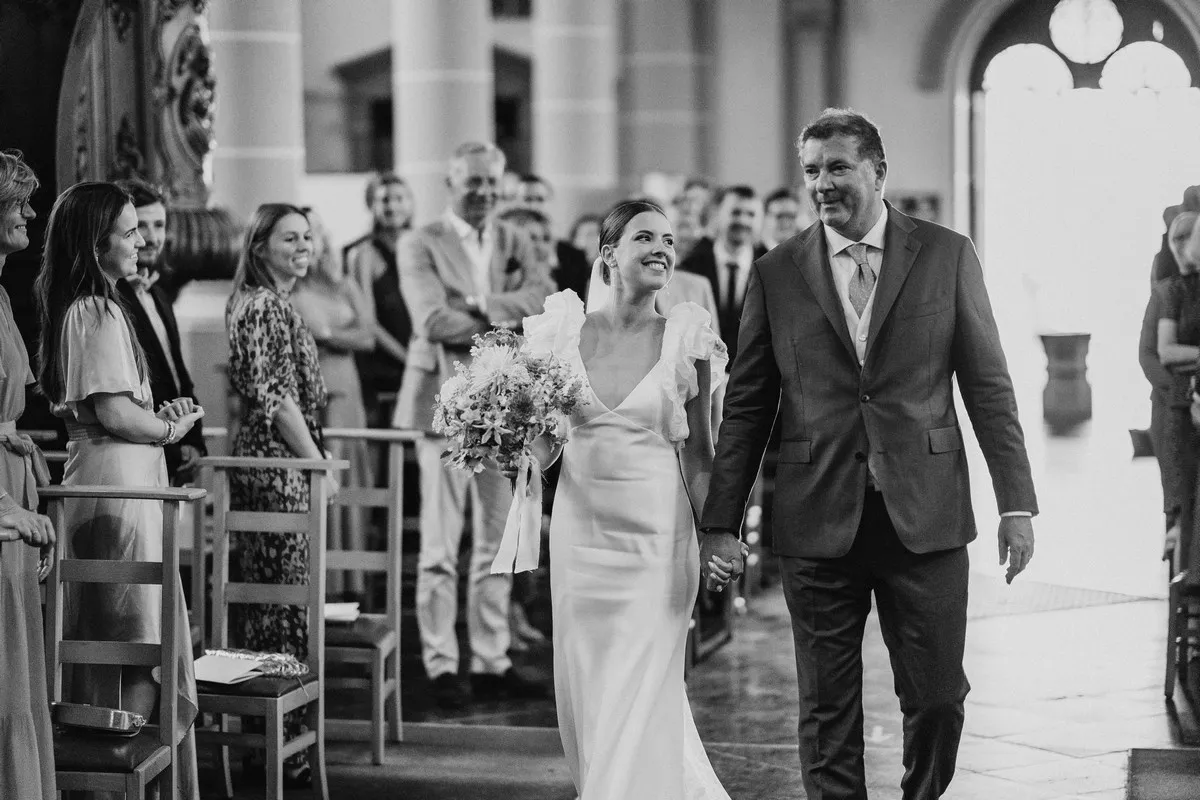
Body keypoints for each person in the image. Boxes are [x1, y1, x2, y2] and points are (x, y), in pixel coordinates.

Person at [699, 108, 1038, 800]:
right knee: (826, 712)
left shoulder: (946, 255)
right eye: (812, 171)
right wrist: (721, 521)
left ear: (878, 172)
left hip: (927, 512)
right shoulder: (778, 272)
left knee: (939, 698)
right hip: (817, 515)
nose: (822, 183)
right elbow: (748, 406)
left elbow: (989, 387)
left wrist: (1017, 502)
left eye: (837, 167)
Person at [516, 199, 739, 798]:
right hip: (581, 538)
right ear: (608, 253)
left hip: (657, 543)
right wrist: (502, 449)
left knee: (642, 684)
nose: (662, 248)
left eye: (668, 239)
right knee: (591, 685)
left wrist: (717, 529)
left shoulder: (686, 336)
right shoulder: (561, 332)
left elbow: (700, 454)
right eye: (645, 237)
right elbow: (543, 444)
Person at [34, 181, 205, 800]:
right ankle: (120, 782)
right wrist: (168, 426)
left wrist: (156, 417)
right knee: (135, 643)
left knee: (119, 637)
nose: (140, 242)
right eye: (130, 232)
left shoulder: (82, 306)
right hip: (120, 486)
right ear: (95, 240)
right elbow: (113, 414)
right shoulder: (98, 310)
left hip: (108, 477)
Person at [394, 141, 552, 709]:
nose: (483, 192)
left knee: (496, 539)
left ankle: (491, 659)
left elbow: (541, 301)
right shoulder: (421, 241)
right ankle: (440, 664)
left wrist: (480, 299)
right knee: (439, 544)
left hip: (503, 407)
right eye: (472, 182)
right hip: (440, 407)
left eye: (491, 182)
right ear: (451, 182)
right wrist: (503, 315)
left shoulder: (516, 239)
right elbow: (431, 320)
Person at [225, 203, 333, 786]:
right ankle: (275, 744)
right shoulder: (263, 305)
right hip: (276, 463)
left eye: (308, 237)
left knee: (289, 599)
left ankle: (281, 741)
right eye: (290, 237)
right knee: (279, 600)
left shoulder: (276, 302)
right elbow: (276, 398)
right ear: (260, 244)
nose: (303, 245)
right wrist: (317, 465)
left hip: (285, 458)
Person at [0, 149, 56, 800]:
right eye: (18, 203)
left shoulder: (3, 297)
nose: (30, 214)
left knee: (20, 664)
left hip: (14, 479)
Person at [291, 206, 375, 598]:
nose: (308, 243)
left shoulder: (343, 285)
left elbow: (368, 337)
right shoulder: (289, 288)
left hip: (347, 384)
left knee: (347, 473)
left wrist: (327, 335)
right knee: (319, 471)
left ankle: (350, 582)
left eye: (313, 234)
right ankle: (318, 580)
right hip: (312, 387)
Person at [113, 178, 206, 485]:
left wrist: (194, 439)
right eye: (141, 226)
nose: (151, 238)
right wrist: (171, 439)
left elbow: (177, 373)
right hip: (139, 448)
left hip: (174, 443)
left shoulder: (161, 293)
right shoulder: (111, 298)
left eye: (160, 225)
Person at [344, 171, 414, 426]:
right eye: (384, 200)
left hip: (417, 352)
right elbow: (367, 321)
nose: (392, 206)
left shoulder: (418, 246)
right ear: (372, 206)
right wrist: (407, 358)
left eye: (399, 198)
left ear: (410, 203)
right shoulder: (363, 253)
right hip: (384, 360)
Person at [678, 184, 767, 359]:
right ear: (719, 214)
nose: (743, 221)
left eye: (751, 214)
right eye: (735, 212)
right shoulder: (692, 266)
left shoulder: (771, 267)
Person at [1158, 211, 1200, 561]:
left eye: (1184, 239)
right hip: (1181, 402)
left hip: (1187, 394)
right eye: (1175, 240)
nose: (1179, 247)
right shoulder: (1172, 290)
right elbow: (1165, 352)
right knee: (1183, 490)